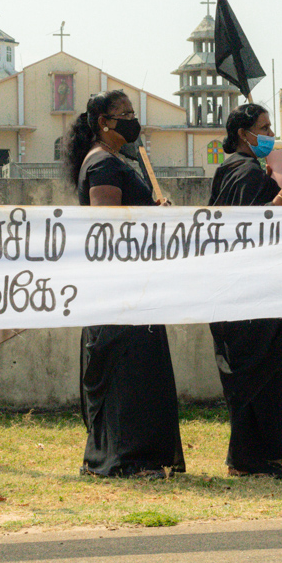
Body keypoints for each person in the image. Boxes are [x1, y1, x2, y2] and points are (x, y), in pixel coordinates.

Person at [65, 91, 185, 478]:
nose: (134, 120)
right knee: (126, 374)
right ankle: (125, 457)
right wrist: (152, 218)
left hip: (139, 285)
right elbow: (108, 227)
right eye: (126, 114)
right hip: (118, 289)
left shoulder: (120, 161)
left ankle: (145, 454)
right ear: (104, 122)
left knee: (144, 373)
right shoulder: (101, 165)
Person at [207, 104, 282, 477]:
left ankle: (255, 456)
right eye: (264, 127)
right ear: (244, 134)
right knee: (272, 376)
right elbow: (251, 229)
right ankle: (264, 456)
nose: (270, 133)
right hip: (256, 293)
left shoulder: (230, 170)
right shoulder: (243, 173)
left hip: (242, 292)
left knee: (261, 377)